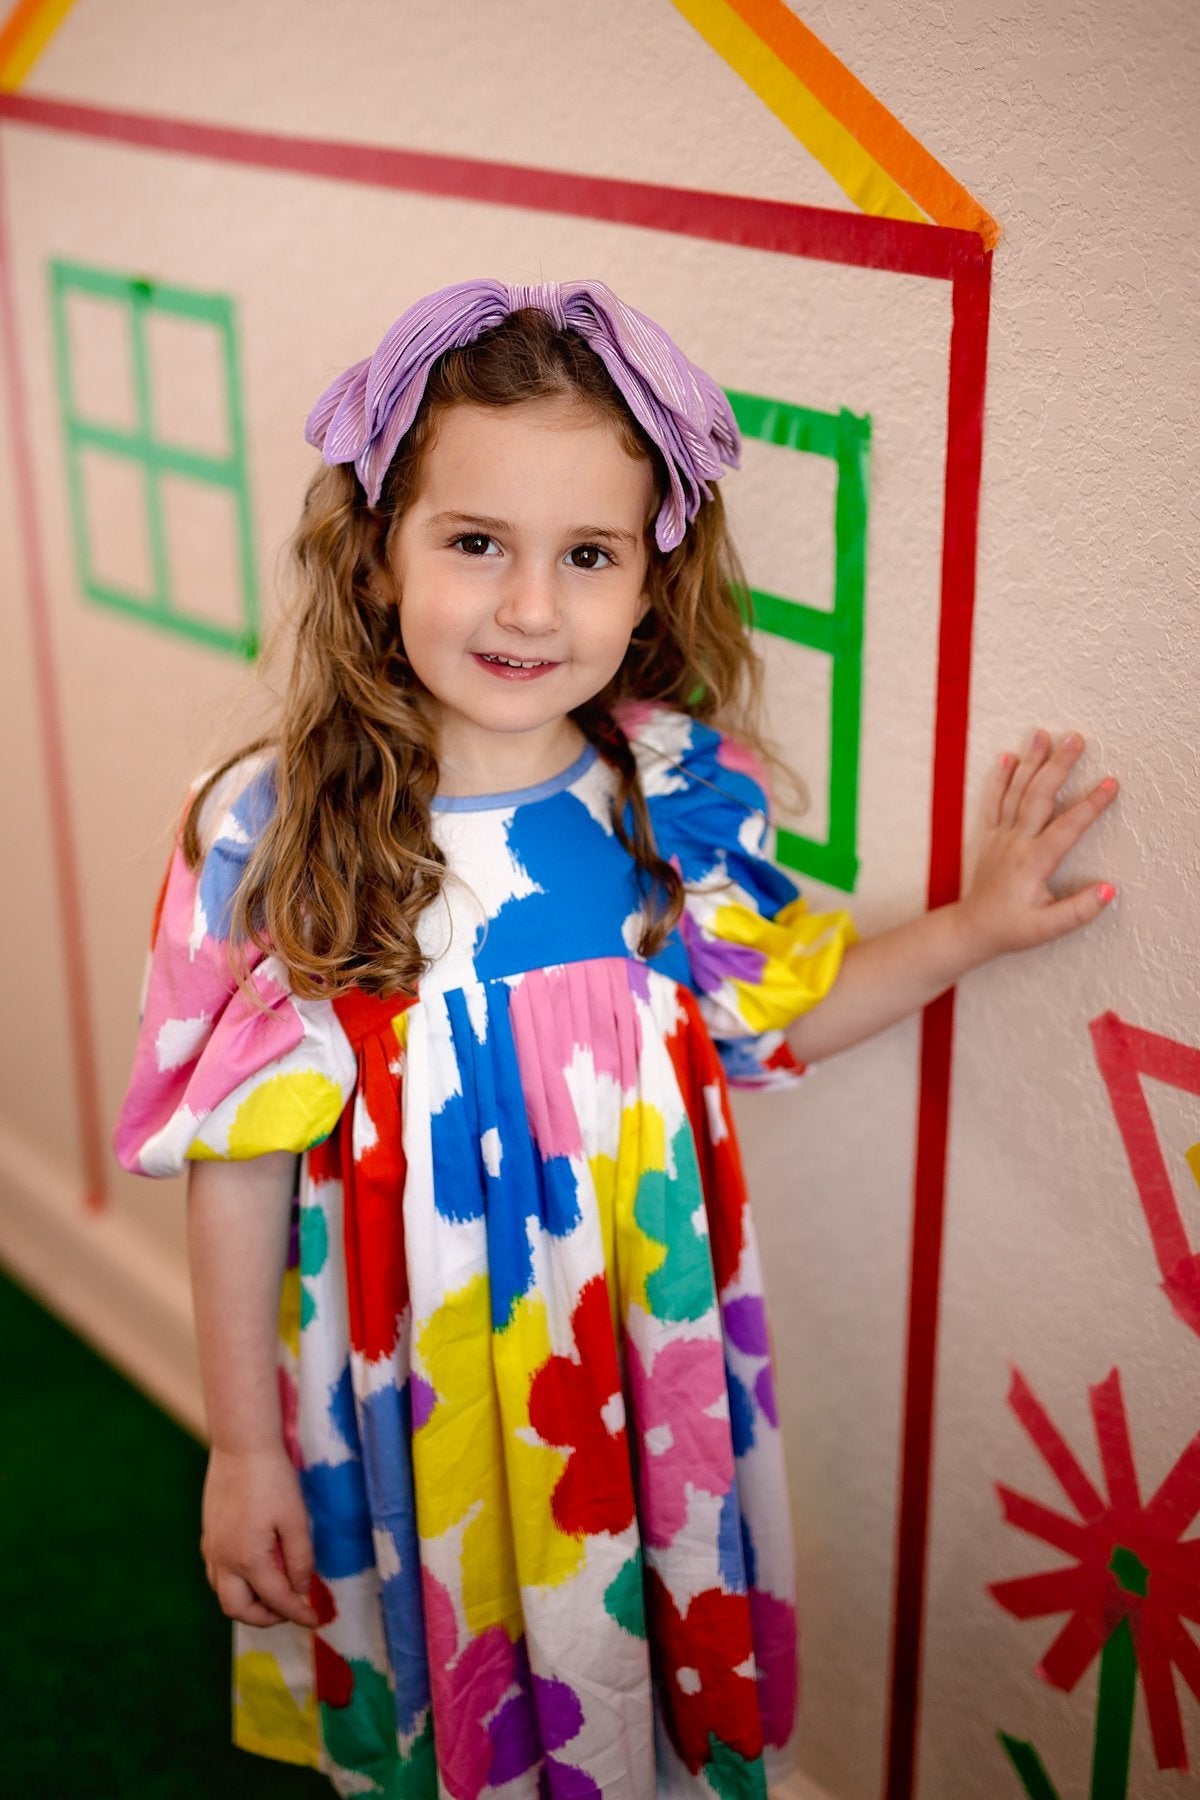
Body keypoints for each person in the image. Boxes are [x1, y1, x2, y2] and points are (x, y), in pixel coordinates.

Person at [113, 278, 1117, 1799]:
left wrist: (968, 930)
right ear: (377, 553)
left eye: (586, 555)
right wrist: (245, 1449)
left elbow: (766, 1017)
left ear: (652, 578)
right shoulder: (276, 828)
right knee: (445, 1669)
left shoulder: (672, 789)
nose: (530, 607)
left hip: (639, 1354)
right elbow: (239, 1165)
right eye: (474, 544)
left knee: (628, 1679)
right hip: (407, 1376)